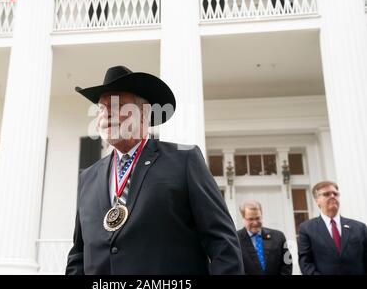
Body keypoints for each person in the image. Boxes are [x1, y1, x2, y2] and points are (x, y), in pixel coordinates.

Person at [65, 65, 244, 275]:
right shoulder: (88, 178)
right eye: (102, 109)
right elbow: (79, 255)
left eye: (118, 106)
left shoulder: (184, 160)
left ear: (143, 114)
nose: (107, 115)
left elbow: (222, 243)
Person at [298, 181, 367, 275]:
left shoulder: (359, 227)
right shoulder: (306, 229)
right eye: (326, 194)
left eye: (335, 194)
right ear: (317, 200)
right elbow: (305, 263)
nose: (332, 196)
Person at [237, 200, 292, 275]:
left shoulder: (279, 236)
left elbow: (287, 263)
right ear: (243, 218)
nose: (255, 222)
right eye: (251, 219)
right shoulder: (235, 239)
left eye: (258, 218)